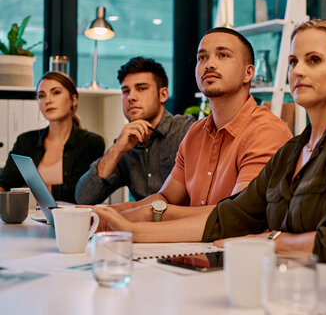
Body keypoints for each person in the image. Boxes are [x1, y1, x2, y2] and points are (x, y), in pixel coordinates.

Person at [93, 19, 326, 270]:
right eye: (293, 62)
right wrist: (128, 230)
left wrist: (269, 241)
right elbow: (230, 215)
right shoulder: (292, 152)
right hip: (293, 288)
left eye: (313, 60)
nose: (298, 71)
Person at [91, 27, 292, 218]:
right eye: (202, 57)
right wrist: (105, 213)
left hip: (229, 253)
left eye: (223, 55)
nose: (209, 64)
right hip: (185, 251)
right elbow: (165, 198)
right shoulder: (196, 132)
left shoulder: (266, 130)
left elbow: (235, 216)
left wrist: (151, 216)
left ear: (248, 73)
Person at [75, 57, 195, 204]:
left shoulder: (186, 131)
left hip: (182, 224)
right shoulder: (125, 144)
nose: (131, 97)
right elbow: (84, 198)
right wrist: (117, 149)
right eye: (126, 91)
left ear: (163, 95)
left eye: (141, 88)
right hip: (139, 225)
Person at [0, 72, 105, 203]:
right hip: (29, 219)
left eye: (56, 92)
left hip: (72, 219)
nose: (48, 100)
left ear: (73, 99)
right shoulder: (25, 140)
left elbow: (79, 192)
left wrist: (27, 191)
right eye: (41, 96)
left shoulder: (91, 142)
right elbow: (5, 183)